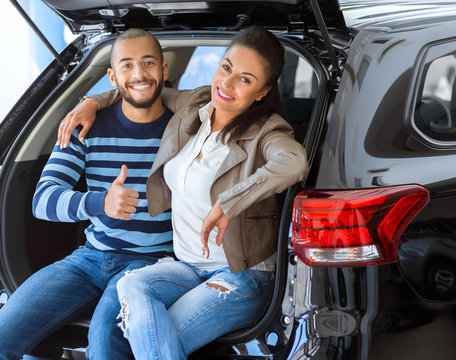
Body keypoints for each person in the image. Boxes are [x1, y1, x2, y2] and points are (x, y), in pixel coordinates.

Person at [60, 25, 309, 359]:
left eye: (245, 79)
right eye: (226, 68)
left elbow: (294, 162)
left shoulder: (266, 132)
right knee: (131, 284)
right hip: (188, 268)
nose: (228, 84)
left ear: (262, 91)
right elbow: (145, 89)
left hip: (242, 276)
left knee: (147, 342)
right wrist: (91, 101)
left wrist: (230, 202)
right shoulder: (196, 104)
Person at [0, 29, 177, 359]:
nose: (139, 74)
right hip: (89, 259)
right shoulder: (85, 127)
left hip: (150, 264)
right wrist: (100, 202)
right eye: (127, 65)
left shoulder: (185, 130)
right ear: (112, 76)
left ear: (164, 71)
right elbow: (43, 199)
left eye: (148, 63)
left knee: (105, 344)